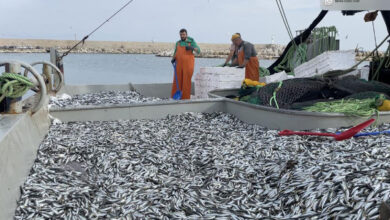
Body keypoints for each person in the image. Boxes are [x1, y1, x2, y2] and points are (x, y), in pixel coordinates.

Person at [171, 28, 200, 99]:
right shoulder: (178, 43)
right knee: (177, 80)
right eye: (181, 35)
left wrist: (191, 47)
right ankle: (176, 97)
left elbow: (198, 51)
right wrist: (173, 58)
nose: (182, 36)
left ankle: (185, 98)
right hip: (178, 65)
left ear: (186, 34)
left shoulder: (191, 41)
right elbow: (176, 52)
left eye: (183, 34)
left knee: (186, 81)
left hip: (188, 65)